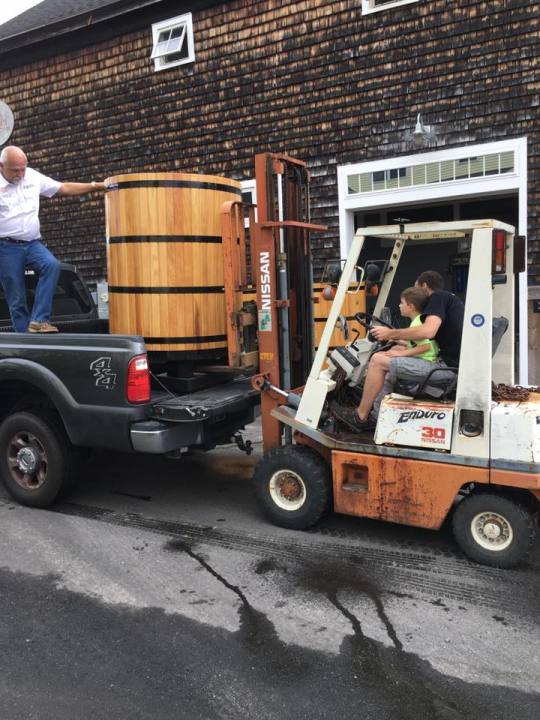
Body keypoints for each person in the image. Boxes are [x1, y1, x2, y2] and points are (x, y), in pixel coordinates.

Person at [334, 270, 464, 431]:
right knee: (388, 355)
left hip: (443, 369)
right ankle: (376, 415)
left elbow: (428, 332)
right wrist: (397, 341)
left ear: (424, 286)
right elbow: (429, 339)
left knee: (376, 361)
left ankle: (360, 417)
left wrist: (391, 333)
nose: (415, 293)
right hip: (445, 364)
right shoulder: (451, 300)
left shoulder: (438, 297)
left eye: (416, 287)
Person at [0, 146, 106, 333]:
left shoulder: (32, 176)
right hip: (6, 246)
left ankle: (39, 320)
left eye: (23, 168)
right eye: (15, 170)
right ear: (2, 166)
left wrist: (94, 185)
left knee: (52, 266)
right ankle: (27, 342)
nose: (20, 173)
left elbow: (62, 187)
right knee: (16, 297)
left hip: (32, 243)